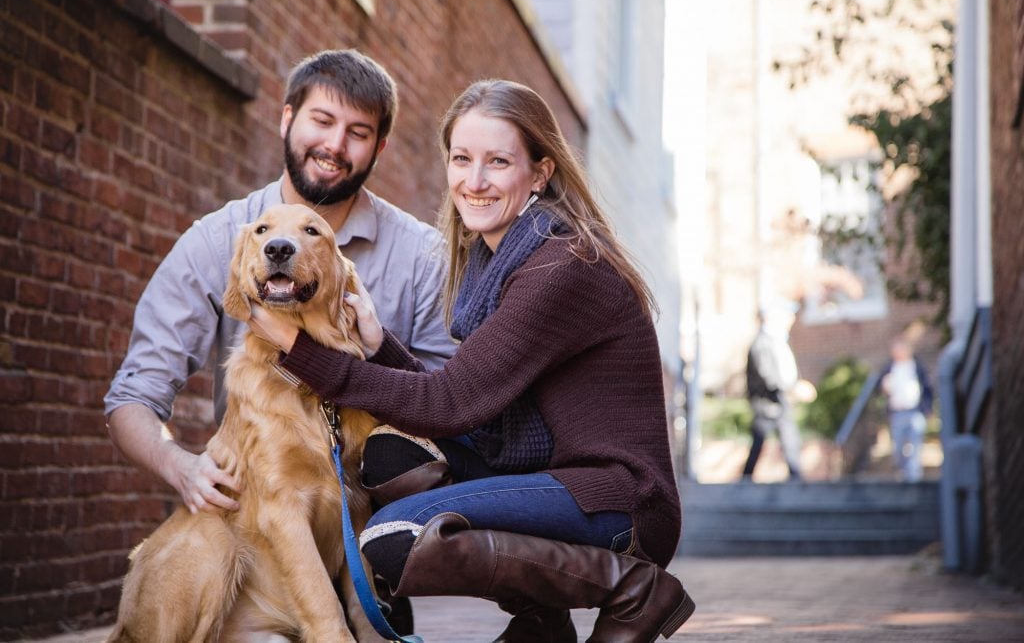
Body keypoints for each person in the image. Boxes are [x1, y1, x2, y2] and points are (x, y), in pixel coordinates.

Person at [248, 79, 695, 643]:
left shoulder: (560, 266)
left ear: (540, 173)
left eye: (498, 162)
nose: (475, 181)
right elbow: (469, 403)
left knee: (394, 537)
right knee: (388, 456)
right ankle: (542, 623)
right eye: (462, 159)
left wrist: (301, 353)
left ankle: (635, 590)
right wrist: (379, 344)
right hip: (554, 479)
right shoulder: (499, 259)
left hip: (620, 502)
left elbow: (452, 403)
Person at [104, 49, 456, 518]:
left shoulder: (422, 256)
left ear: (380, 147)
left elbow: (447, 405)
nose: (335, 145)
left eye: (358, 132)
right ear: (287, 118)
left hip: (377, 525)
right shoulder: (216, 239)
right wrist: (180, 466)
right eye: (322, 120)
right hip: (260, 517)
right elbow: (133, 396)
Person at [741, 301, 815, 481]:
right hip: (766, 403)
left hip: (780, 401)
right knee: (759, 444)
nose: (790, 320)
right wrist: (794, 388)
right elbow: (768, 376)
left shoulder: (779, 341)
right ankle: (744, 481)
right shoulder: (762, 343)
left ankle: (796, 478)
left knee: (790, 441)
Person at [879, 338, 932, 482]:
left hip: (915, 411)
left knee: (915, 443)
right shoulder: (890, 368)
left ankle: (913, 477)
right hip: (897, 412)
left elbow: (927, 387)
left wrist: (927, 409)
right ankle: (903, 472)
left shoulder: (916, 367)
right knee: (898, 446)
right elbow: (882, 389)